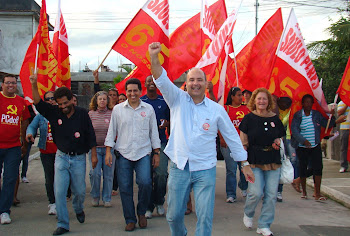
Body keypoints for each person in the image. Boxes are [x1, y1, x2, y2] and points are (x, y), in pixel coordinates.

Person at [149, 42, 254, 236]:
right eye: (191, 80)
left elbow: (232, 136)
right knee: (173, 216)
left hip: (205, 169)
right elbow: (161, 79)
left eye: (199, 79)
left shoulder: (216, 109)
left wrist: (244, 163)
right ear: (186, 83)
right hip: (180, 167)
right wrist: (154, 57)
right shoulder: (177, 99)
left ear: (206, 84)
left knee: (205, 216)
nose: (195, 83)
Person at [29, 74, 97, 235]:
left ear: (72, 100)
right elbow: (38, 103)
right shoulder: (54, 112)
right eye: (60, 104)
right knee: (59, 191)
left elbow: (90, 134)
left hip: (79, 158)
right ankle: (63, 223)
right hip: (61, 157)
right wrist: (34, 84)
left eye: (65, 103)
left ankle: (78, 208)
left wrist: (93, 154)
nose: (63, 106)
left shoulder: (82, 113)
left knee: (79, 191)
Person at [105, 78, 161, 232]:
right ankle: (130, 219)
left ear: (140, 91)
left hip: (143, 153)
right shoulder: (118, 110)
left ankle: (141, 212)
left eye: (135, 90)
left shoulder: (148, 109)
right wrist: (108, 151)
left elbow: (154, 133)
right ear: (126, 92)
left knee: (145, 183)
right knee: (125, 187)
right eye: (129, 91)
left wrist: (156, 153)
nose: (132, 93)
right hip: (123, 153)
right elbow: (112, 131)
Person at [239, 88, 285, 236]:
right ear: (254, 100)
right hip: (254, 160)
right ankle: (249, 212)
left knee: (271, 194)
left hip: (273, 160)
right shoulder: (248, 119)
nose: (262, 101)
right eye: (259, 99)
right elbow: (243, 142)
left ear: (269, 101)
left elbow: (280, 137)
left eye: (264, 99)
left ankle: (264, 225)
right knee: (255, 192)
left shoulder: (275, 119)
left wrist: (278, 141)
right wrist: (244, 162)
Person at [291, 94, 335, 202]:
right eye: (306, 102)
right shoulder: (298, 116)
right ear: (302, 104)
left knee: (318, 168)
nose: (308, 104)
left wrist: (332, 116)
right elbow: (295, 130)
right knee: (303, 167)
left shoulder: (316, 115)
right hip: (302, 147)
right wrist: (303, 140)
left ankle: (317, 193)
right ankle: (304, 192)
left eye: (310, 102)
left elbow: (327, 124)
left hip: (315, 145)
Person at [0, 74, 30, 224]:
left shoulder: (21, 101)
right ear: (2, 84)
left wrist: (23, 140)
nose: (11, 85)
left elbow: (24, 121)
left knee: (10, 178)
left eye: (13, 83)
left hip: (13, 146)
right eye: (8, 83)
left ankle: (4, 211)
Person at [141, 75, 170, 218]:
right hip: (144, 144)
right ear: (145, 84)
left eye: (153, 81)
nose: (151, 83)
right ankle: (148, 206)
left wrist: (167, 124)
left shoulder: (163, 101)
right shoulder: (140, 101)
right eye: (149, 81)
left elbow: (171, 120)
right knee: (145, 178)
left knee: (161, 174)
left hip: (161, 142)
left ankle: (159, 202)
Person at [26, 91, 58, 215]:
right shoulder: (40, 116)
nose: (51, 100)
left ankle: (63, 198)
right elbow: (32, 126)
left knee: (62, 178)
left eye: (53, 98)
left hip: (61, 152)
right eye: (48, 99)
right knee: (49, 178)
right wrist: (29, 133)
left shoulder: (61, 112)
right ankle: (52, 203)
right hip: (46, 152)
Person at [220, 87, 249, 203]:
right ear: (232, 97)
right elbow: (220, 125)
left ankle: (243, 186)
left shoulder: (246, 109)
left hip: (242, 144)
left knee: (243, 167)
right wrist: (222, 139)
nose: (241, 97)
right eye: (238, 95)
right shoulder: (225, 109)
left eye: (241, 95)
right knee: (231, 169)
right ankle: (231, 194)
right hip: (228, 144)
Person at [88, 91, 115, 207]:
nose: (102, 101)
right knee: (95, 174)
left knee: (108, 175)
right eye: (100, 99)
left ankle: (107, 198)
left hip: (109, 150)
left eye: (104, 99)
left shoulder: (113, 113)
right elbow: (88, 131)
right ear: (96, 101)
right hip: (95, 150)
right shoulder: (91, 114)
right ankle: (95, 196)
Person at [276, 96, 296, 201]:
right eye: (283, 103)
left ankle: (279, 191)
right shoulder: (274, 109)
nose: (285, 105)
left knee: (283, 163)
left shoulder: (291, 111)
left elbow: (283, 123)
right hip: (275, 140)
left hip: (286, 139)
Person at [337, 100, 349, 173]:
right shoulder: (341, 103)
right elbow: (339, 113)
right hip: (345, 127)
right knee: (344, 147)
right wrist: (347, 104)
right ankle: (343, 165)